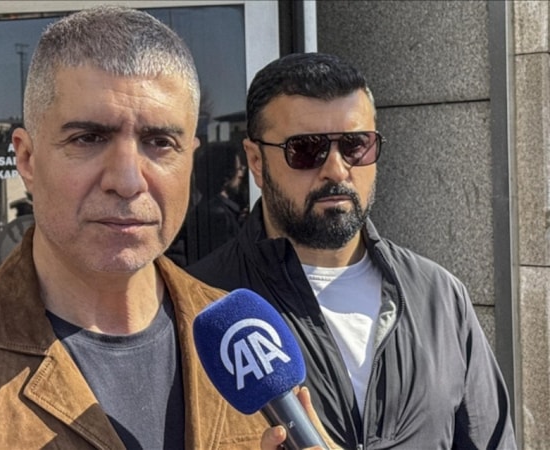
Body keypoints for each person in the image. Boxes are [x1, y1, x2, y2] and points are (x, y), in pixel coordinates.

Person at [0, 7, 320, 449]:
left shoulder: (251, 351)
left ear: (190, 159)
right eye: (89, 138)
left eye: (159, 142)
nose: (128, 181)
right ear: (27, 158)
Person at [187, 52, 517, 449]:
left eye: (355, 146)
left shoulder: (439, 295)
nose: (336, 169)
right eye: (305, 149)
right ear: (256, 161)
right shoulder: (202, 308)